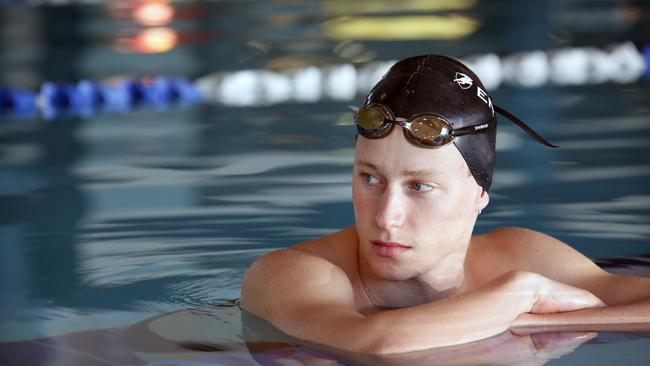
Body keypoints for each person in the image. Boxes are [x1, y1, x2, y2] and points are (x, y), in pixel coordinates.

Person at [240, 54, 650, 354]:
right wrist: (519, 297)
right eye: (371, 179)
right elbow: (371, 343)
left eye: (419, 186)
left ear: (479, 196)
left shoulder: (518, 254)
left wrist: (531, 321)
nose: (387, 217)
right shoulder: (291, 274)